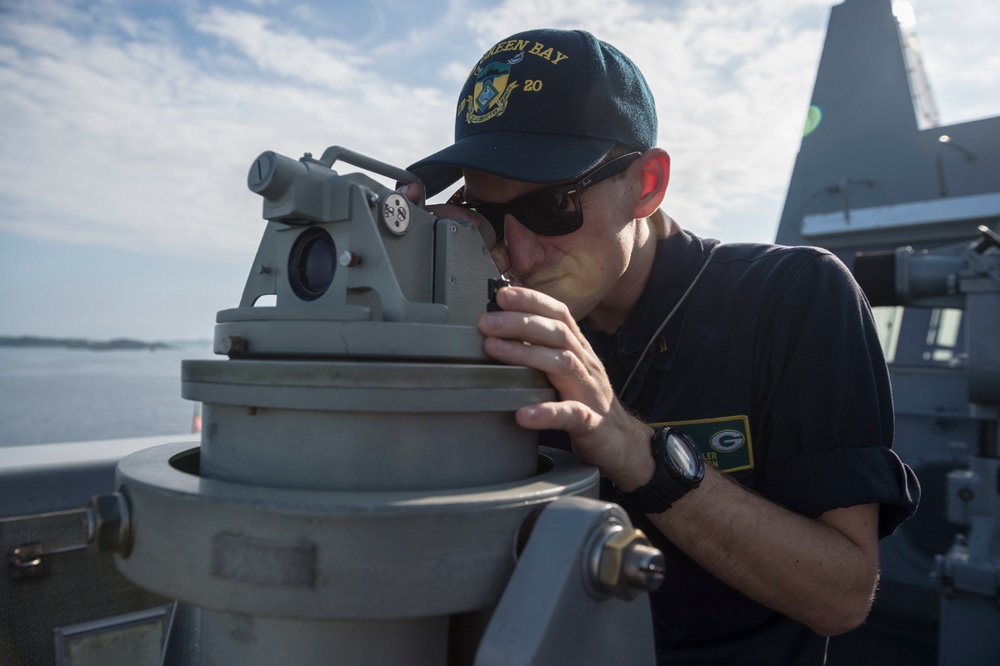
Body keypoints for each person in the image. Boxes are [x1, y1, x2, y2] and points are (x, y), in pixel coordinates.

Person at [402, 28, 920, 664]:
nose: (521, 252)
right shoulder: (485, 312)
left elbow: (841, 594)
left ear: (646, 184)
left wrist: (630, 445)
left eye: (555, 205)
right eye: (485, 213)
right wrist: (407, 285)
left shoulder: (793, 296)